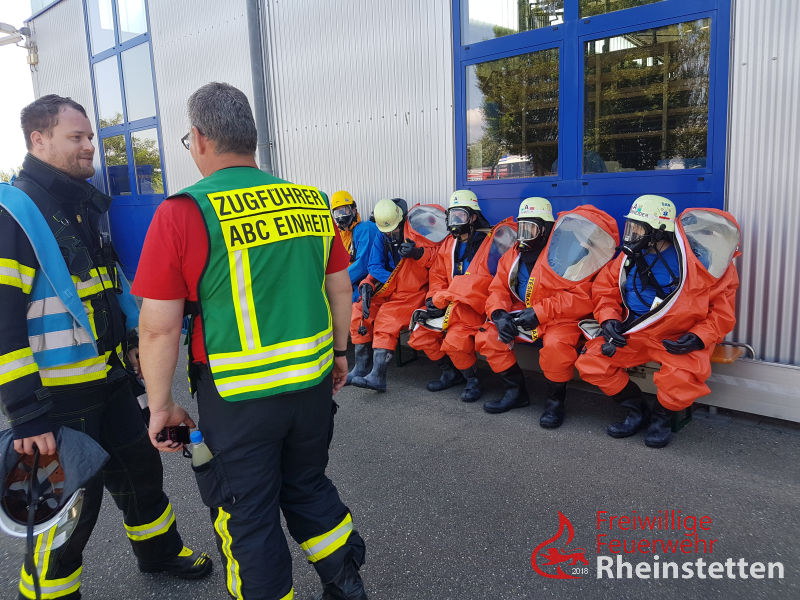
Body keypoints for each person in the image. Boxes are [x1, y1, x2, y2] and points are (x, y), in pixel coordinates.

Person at [132, 83, 367, 600]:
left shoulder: (184, 212)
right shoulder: (310, 202)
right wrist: (343, 353)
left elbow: (157, 326)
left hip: (237, 399)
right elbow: (339, 286)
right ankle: (347, 583)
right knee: (307, 486)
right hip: (310, 386)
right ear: (252, 139)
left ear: (198, 139)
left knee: (248, 515)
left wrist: (161, 404)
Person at [0, 95, 211, 600]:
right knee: (67, 507)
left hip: (111, 380)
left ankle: (158, 553)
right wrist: (27, 416)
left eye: (90, 137)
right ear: (38, 140)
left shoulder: (82, 205)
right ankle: (49, 594)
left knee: (142, 473)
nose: (90, 147)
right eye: (77, 138)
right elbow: (4, 327)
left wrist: (135, 340)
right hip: (54, 402)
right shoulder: (14, 214)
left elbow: (109, 285)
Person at [575, 195, 741, 448]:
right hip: (635, 331)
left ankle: (661, 419)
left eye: (637, 228)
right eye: (630, 226)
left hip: (679, 337)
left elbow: (722, 313)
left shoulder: (702, 263)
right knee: (592, 362)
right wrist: (609, 319)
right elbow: (603, 290)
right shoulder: (627, 258)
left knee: (682, 377)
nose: (631, 235)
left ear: (658, 232)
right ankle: (637, 410)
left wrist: (699, 337)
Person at [475, 199, 619, 426]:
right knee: (489, 336)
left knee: (556, 348)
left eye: (530, 229)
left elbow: (583, 297)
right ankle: (516, 392)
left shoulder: (570, 251)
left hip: (559, 318)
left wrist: (540, 312)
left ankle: (555, 403)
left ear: (546, 229)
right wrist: (499, 313)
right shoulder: (515, 253)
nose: (523, 236)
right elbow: (498, 287)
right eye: (521, 228)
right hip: (522, 313)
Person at [409, 189, 506, 402]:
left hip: (474, 307)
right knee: (420, 333)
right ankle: (451, 373)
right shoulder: (449, 244)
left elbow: (482, 283)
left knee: (455, 340)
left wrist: (442, 299)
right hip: (449, 304)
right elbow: (437, 275)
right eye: (452, 216)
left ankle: (472, 381)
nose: (455, 221)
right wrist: (431, 299)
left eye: (460, 215)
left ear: (472, 216)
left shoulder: (489, 243)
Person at [348, 198, 444, 392]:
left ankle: (378, 376)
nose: (391, 234)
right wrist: (367, 285)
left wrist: (418, 253)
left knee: (387, 317)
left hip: (412, 293)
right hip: (390, 289)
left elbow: (438, 258)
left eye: (393, 229)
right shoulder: (382, 236)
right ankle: (361, 366)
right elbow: (374, 266)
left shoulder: (418, 233)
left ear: (401, 220)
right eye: (387, 231)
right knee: (358, 309)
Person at [330, 190, 380, 301]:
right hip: (348, 281)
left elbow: (362, 265)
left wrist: (335, 282)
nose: (341, 216)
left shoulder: (365, 229)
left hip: (362, 282)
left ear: (353, 210)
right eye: (337, 213)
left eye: (345, 210)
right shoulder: (340, 234)